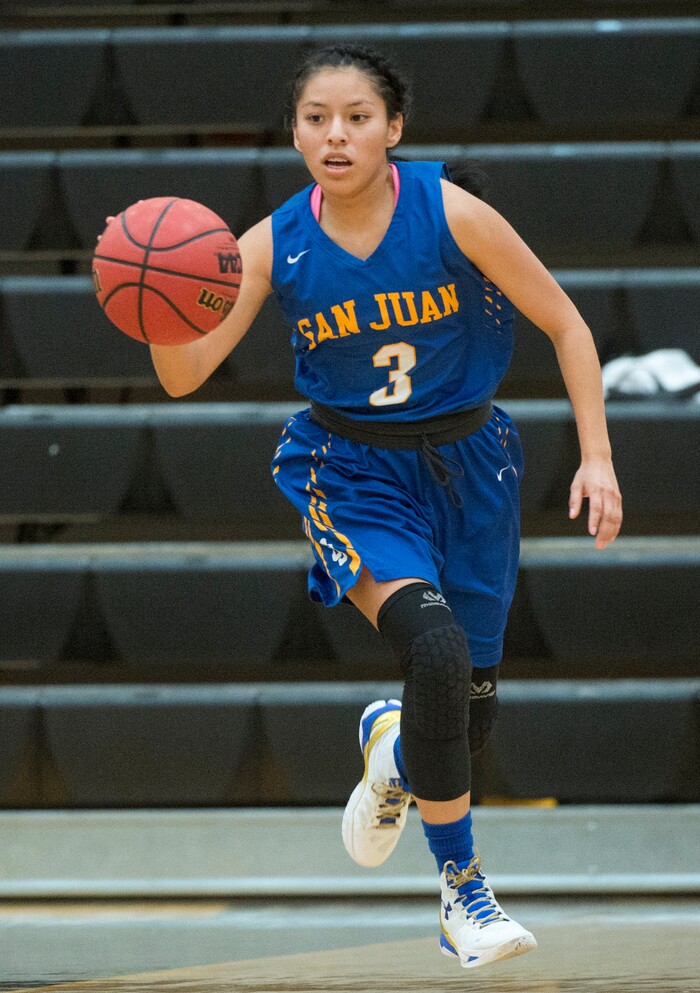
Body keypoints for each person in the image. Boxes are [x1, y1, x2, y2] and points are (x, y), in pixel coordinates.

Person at [148, 45, 623, 970]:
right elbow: (183, 376)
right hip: (351, 468)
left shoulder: (450, 211)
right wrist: (159, 304)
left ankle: (399, 749)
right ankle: (464, 894)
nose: (336, 134)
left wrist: (598, 458)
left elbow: (567, 324)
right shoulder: (270, 242)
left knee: (465, 709)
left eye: (357, 117)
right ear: (295, 132)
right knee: (434, 649)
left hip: (471, 467)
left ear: (393, 129)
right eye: (317, 118)